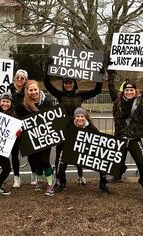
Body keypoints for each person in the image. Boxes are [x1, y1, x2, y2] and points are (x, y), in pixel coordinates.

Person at [44, 58, 103, 186]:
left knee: (78, 153)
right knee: (60, 154)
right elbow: (48, 85)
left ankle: (80, 176)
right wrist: (47, 68)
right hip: (64, 129)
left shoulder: (80, 95)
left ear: (74, 83)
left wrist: (100, 76)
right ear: (63, 84)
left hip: (78, 127)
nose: (68, 85)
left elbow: (97, 91)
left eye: (70, 82)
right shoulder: (60, 95)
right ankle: (60, 179)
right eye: (66, 83)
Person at [107, 69, 143, 208]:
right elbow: (111, 87)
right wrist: (110, 72)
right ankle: (118, 175)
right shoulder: (116, 102)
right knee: (115, 162)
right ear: (123, 91)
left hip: (134, 139)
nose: (129, 92)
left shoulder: (141, 101)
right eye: (127, 90)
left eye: (131, 90)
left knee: (142, 166)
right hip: (120, 140)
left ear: (135, 91)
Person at [55, 107, 112, 194]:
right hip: (69, 151)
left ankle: (103, 184)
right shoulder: (69, 124)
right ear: (74, 117)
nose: (80, 119)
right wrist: (62, 151)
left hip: (84, 151)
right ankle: (62, 183)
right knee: (61, 171)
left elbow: (100, 140)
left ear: (85, 117)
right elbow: (61, 137)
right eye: (78, 116)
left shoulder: (91, 127)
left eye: (82, 116)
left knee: (102, 161)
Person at [16, 80, 54, 196]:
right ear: (27, 91)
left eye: (35, 89)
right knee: (36, 162)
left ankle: (50, 184)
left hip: (45, 137)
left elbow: (52, 117)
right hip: (31, 138)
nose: (33, 92)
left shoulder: (47, 101)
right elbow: (19, 119)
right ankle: (39, 181)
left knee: (45, 161)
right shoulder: (23, 105)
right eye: (30, 90)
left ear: (39, 90)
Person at [8, 69, 37, 186]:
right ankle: (16, 177)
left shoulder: (29, 91)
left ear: (26, 80)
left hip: (26, 126)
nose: (19, 79)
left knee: (30, 153)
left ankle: (34, 174)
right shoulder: (8, 90)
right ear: (14, 78)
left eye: (22, 78)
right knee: (14, 154)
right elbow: (1, 104)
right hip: (13, 127)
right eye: (17, 77)